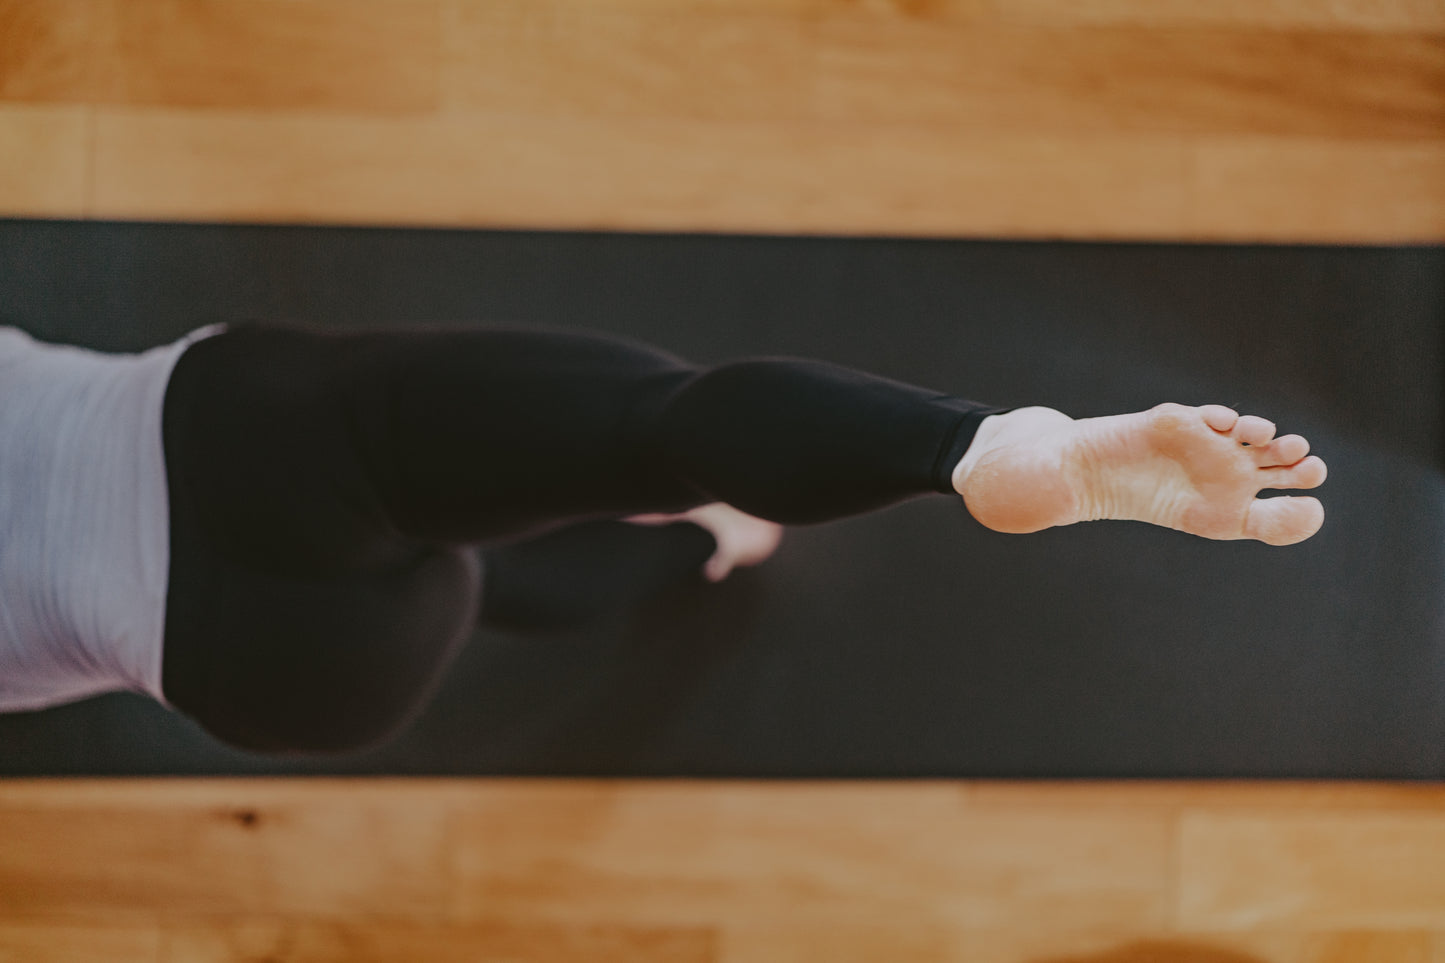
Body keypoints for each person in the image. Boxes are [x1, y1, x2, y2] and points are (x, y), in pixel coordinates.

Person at [0, 322, 1327, 754]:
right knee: (654, 428)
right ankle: (965, 447)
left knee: (475, 578)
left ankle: (709, 549)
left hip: (273, 670)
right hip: (234, 435)